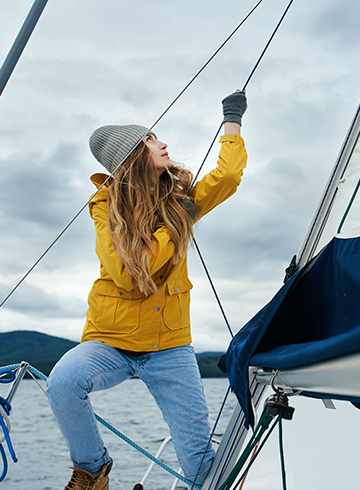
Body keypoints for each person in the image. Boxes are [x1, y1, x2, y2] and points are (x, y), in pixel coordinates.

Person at [46, 90, 248, 490]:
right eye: (152, 139)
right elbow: (126, 271)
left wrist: (232, 118)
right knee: (63, 383)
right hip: (110, 341)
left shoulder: (180, 201)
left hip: (170, 346)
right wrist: (175, 228)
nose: (164, 143)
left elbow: (226, 177)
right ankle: (92, 472)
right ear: (135, 155)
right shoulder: (105, 206)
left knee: (199, 464)